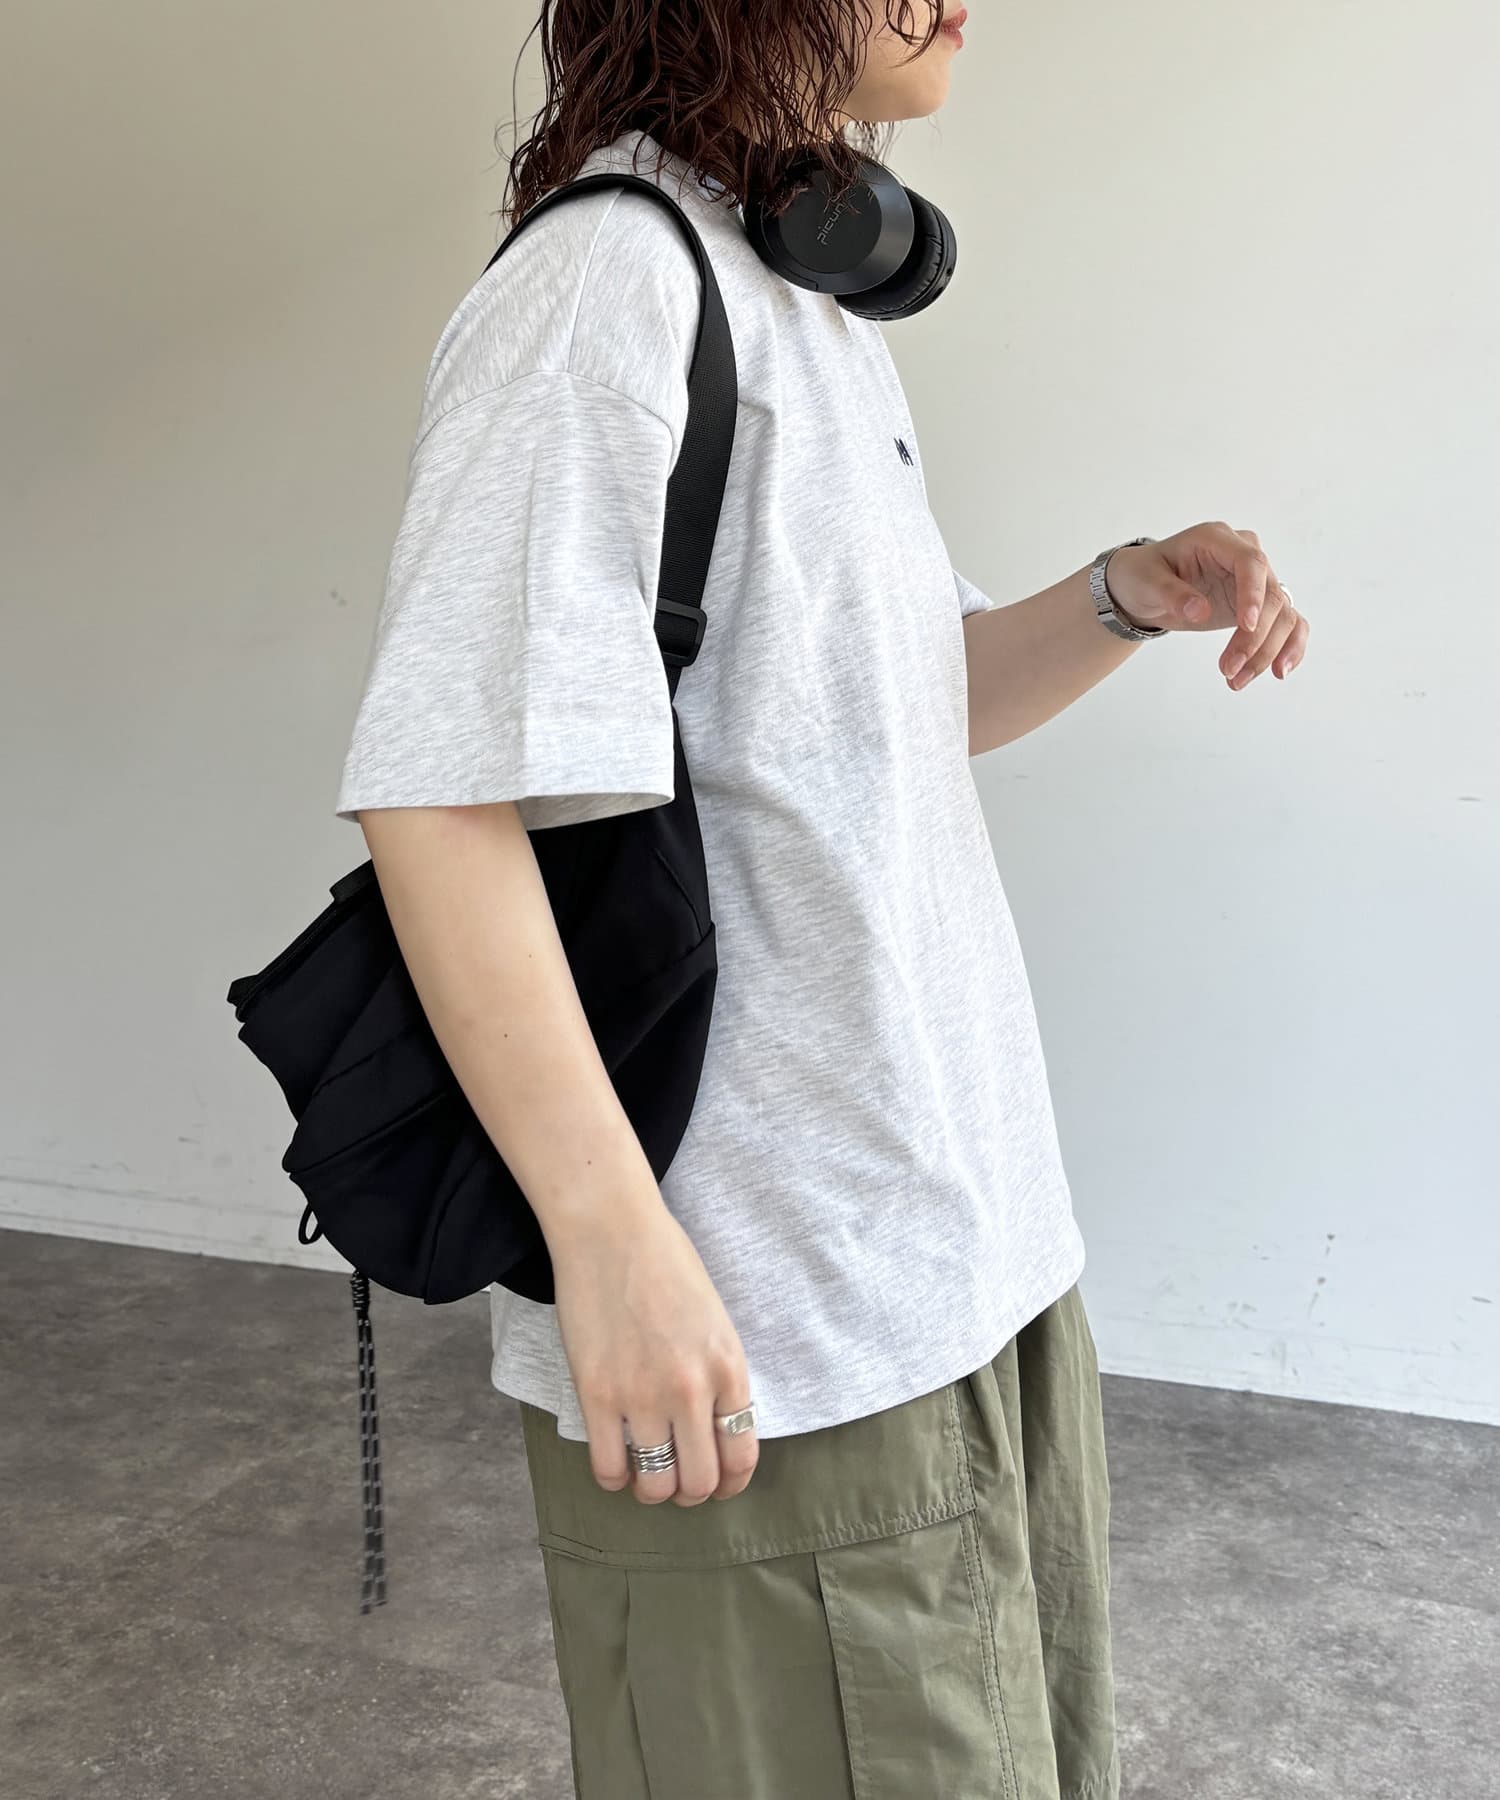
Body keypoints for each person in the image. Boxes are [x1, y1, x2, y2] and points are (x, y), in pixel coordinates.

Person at [334, 3, 1311, 1794]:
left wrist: (1120, 596)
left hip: (958, 1257)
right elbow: (442, 797)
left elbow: (896, 708)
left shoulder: (796, 291)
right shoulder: (603, 296)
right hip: (763, 1313)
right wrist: (615, 1250)